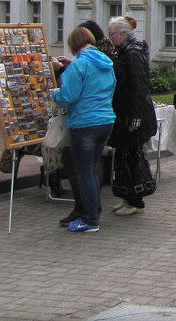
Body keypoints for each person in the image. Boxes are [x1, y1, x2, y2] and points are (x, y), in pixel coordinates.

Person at [52, 27, 116, 233]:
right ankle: (93, 211)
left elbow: (68, 96)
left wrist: (53, 95)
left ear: (73, 44)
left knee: (85, 171)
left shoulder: (78, 66)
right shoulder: (106, 63)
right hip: (105, 120)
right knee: (92, 168)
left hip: (84, 122)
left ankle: (90, 219)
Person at [107, 16, 158, 214]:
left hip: (133, 116)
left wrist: (135, 118)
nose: (109, 38)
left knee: (133, 158)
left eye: (111, 34)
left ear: (122, 33)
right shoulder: (124, 51)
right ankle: (126, 196)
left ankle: (135, 200)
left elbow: (139, 87)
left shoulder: (133, 53)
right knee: (123, 156)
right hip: (124, 113)